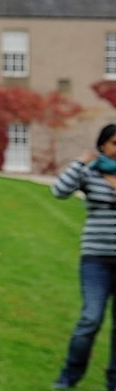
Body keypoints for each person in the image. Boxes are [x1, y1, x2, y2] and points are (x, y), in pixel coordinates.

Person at [50, 123, 116, 390]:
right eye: (114, 143)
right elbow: (59, 190)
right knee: (91, 318)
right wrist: (80, 162)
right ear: (102, 145)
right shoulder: (91, 173)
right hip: (96, 261)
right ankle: (69, 376)